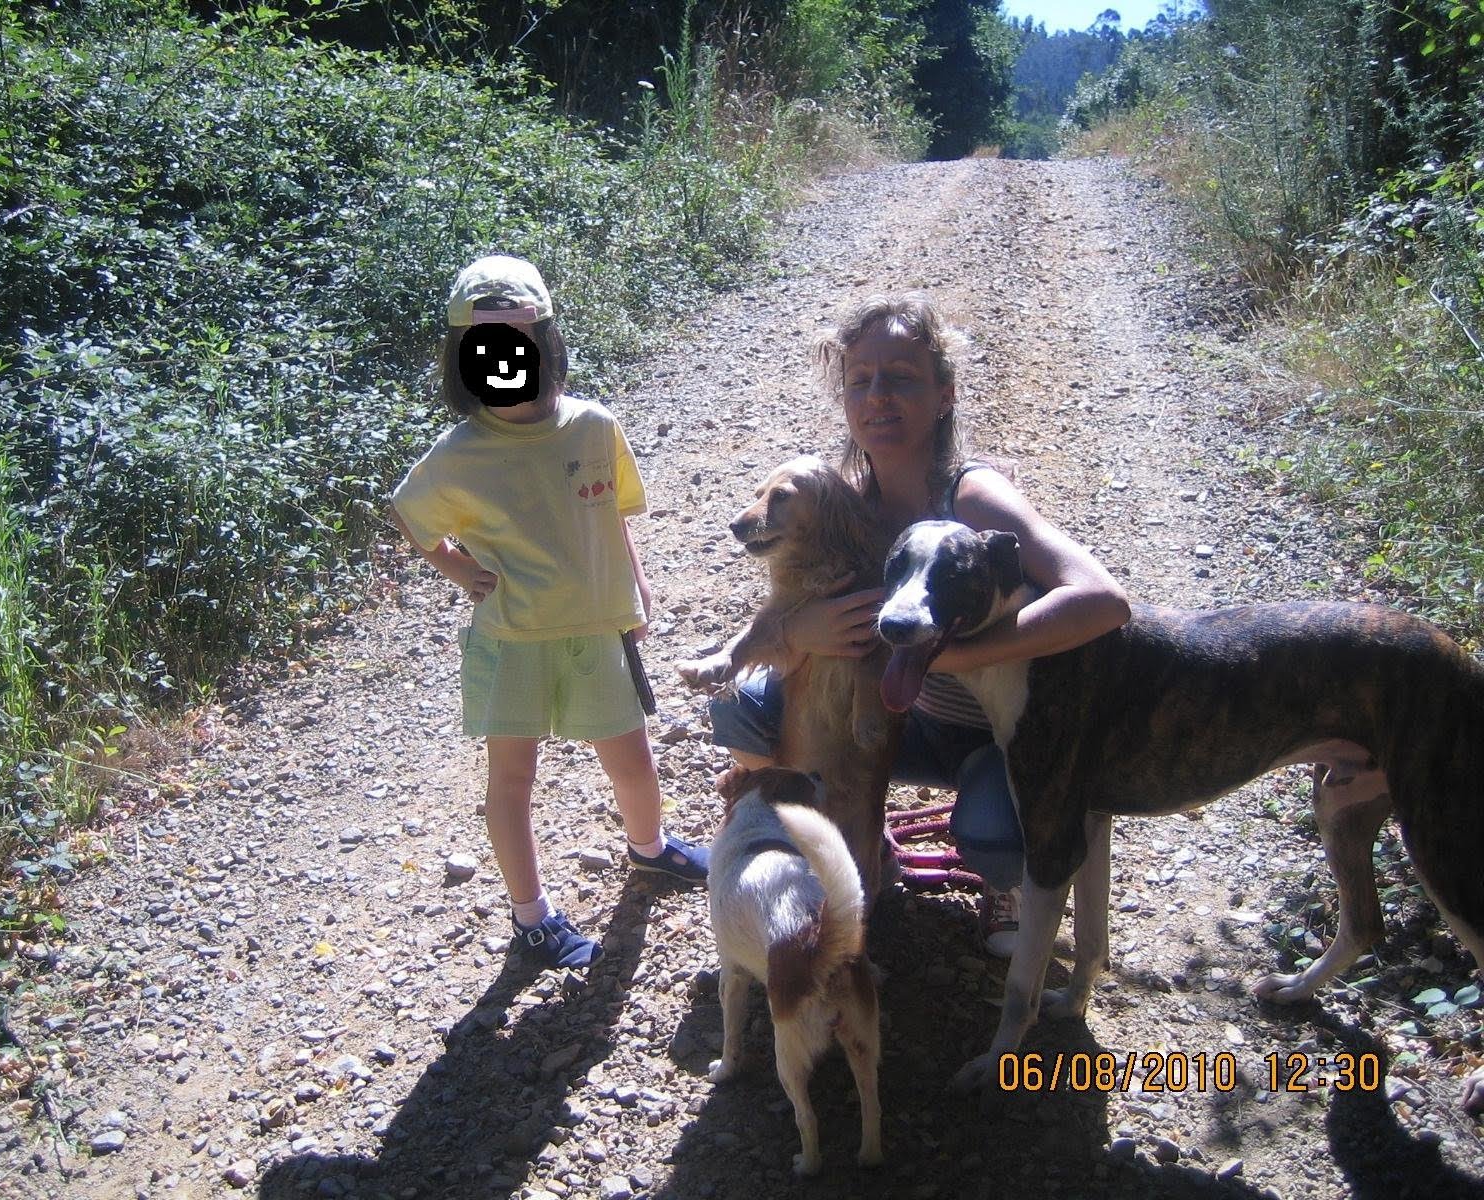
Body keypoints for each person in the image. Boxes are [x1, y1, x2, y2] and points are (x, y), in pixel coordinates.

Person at [703, 293, 1130, 956]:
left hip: (995, 732)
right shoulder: (845, 503)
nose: (879, 395)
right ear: (845, 400)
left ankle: (1005, 883)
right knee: (741, 711)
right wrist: (800, 631)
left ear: (944, 395)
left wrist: (956, 656)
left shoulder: (971, 496)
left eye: (901, 377)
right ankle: (852, 842)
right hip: (899, 721)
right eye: (861, 380)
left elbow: (1103, 600)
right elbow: (793, 608)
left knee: (993, 834)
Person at [390, 254, 709, 971]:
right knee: (512, 782)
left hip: (597, 630)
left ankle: (650, 848)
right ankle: (531, 919)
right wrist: (457, 567)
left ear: (547, 343)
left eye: (518, 345)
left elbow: (612, 512)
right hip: (513, 640)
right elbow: (409, 515)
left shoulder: (594, 427)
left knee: (633, 759)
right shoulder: (459, 453)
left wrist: (636, 585)